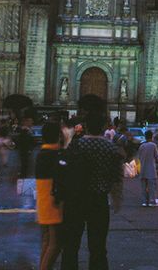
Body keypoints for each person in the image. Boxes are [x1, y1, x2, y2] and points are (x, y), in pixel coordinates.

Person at [54, 112, 123, 270]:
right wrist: (116, 200)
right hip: (98, 201)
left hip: (75, 200)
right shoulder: (110, 147)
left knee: (71, 245)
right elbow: (117, 177)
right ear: (104, 126)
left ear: (85, 126)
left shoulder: (76, 144)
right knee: (98, 247)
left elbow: (64, 170)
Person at [36, 122, 63, 270]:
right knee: (55, 244)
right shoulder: (54, 155)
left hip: (43, 203)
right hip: (53, 204)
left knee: (47, 241)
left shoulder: (42, 153)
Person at [137, 130, 158, 206]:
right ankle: (152, 201)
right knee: (151, 186)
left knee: (143, 186)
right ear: (152, 136)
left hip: (143, 168)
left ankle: (144, 201)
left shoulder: (141, 146)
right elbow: (157, 156)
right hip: (151, 168)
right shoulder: (153, 145)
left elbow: (139, 157)